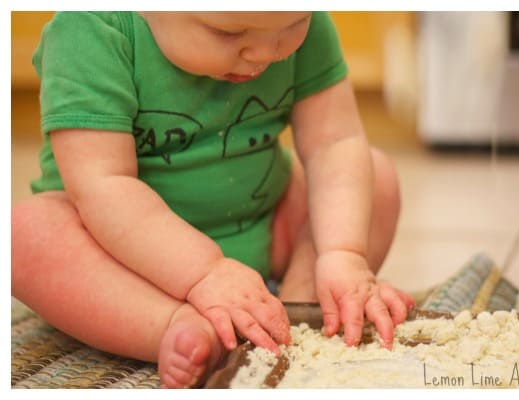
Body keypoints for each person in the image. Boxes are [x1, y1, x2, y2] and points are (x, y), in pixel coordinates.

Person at [11, 11, 415, 388]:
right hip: (126, 264)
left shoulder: (293, 24)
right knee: (24, 236)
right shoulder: (91, 30)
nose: (264, 53)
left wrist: (343, 254)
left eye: (294, 25)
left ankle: (297, 305)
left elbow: (334, 142)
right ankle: (172, 322)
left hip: (264, 227)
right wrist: (206, 273)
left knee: (374, 177)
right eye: (229, 33)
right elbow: (104, 186)